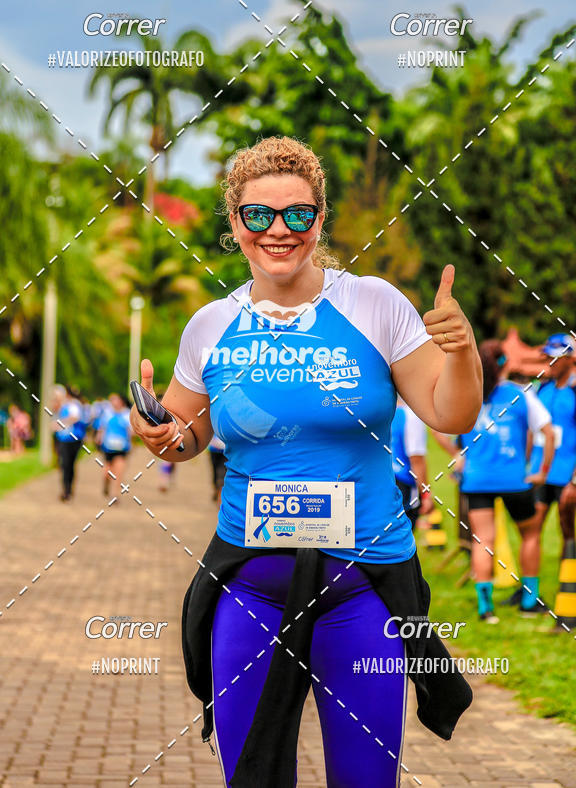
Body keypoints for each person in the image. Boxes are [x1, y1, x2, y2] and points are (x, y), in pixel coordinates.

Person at [130, 136, 483, 787]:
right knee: (254, 775)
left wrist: (462, 353)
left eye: (298, 214)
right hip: (252, 588)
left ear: (320, 219)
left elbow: (451, 416)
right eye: (258, 215)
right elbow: (185, 434)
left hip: (361, 589)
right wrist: (155, 429)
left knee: (365, 778)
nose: (279, 230)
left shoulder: (372, 304)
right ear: (235, 224)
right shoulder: (211, 325)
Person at [458, 340, 554, 622]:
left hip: (476, 480)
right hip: (515, 480)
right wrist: (542, 471)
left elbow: (442, 427)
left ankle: (485, 608)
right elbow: (547, 432)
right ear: (504, 364)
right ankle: (528, 601)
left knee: (483, 541)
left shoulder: (467, 393)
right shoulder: (519, 394)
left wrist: (459, 455)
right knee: (531, 535)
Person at [530, 335, 576, 561]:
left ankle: (567, 587)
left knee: (568, 533)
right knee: (531, 530)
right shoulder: (542, 389)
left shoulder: (574, 389)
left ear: (570, 359)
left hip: (568, 476)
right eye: (547, 358)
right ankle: (530, 592)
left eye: (556, 359)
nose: (550, 364)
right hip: (542, 473)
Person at [390, 398, 433, 529]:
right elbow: (416, 460)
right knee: (401, 537)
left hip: (376, 481)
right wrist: (426, 494)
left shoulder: (378, 412)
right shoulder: (411, 416)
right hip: (402, 484)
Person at [53, 386, 87, 502]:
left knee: (70, 464)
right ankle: (66, 490)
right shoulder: (64, 404)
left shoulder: (74, 404)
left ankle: (68, 488)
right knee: (65, 464)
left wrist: (60, 423)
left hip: (74, 438)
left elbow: (75, 418)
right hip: (64, 438)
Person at [95, 393, 131, 501]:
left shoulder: (127, 414)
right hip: (108, 447)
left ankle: (116, 495)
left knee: (118, 472)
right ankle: (106, 485)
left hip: (122, 448)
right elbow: (102, 428)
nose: (113, 402)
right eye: (112, 400)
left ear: (121, 401)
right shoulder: (107, 413)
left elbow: (131, 431)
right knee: (106, 473)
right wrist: (99, 437)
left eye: (115, 400)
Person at [208, 433, 226, 504]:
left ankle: (220, 496)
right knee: (215, 472)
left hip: (225, 449)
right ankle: (216, 489)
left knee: (222, 473)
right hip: (213, 448)